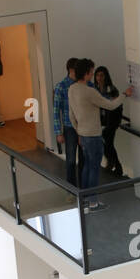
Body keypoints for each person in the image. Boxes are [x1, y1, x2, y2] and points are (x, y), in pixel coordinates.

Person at [68, 59, 132, 210]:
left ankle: (84, 199)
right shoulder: (89, 91)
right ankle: (93, 202)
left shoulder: (72, 89)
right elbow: (111, 105)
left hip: (83, 134)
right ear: (86, 73)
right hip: (93, 136)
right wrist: (125, 94)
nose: (93, 74)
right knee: (94, 169)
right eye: (91, 71)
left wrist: (78, 131)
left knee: (86, 167)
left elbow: (71, 115)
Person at [53, 58, 84, 187]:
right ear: (71, 70)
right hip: (69, 128)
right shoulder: (61, 86)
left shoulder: (83, 84)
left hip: (83, 127)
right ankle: (71, 189)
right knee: (71, 160)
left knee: (83, 160)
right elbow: (56, 111)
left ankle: (83, 188)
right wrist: (58, 132)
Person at [95, 66, 124, 177]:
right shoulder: (94, 89)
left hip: (110, 123)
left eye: (102, 75)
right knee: (104, 144)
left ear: (106, 76)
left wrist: (116, 122)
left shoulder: (112, 90)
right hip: (99, 121)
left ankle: (117, 165)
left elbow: (117, 106)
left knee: (109, 144)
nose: (99, 78)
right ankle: (111, 162)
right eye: (97, 75)